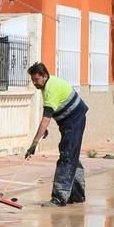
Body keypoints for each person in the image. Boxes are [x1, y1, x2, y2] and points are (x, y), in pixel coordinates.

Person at [25, 62, 88, 207]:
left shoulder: (50, 88)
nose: (34, 83)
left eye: (36, 79)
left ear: (44, 76)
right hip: (70, 120)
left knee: (66, 155)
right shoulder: (46, 85)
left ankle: (59, 198)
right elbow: (51, 111)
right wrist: (44, 129)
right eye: (33, 80)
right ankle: (77, 195)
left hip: (74, 119)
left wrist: (33, 145)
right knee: (72, 155)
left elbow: (45, 118)